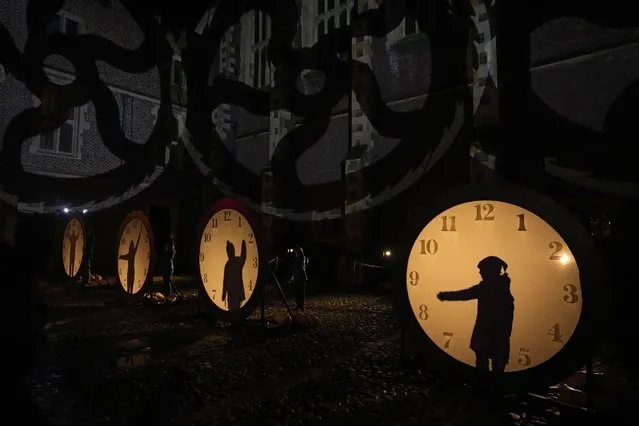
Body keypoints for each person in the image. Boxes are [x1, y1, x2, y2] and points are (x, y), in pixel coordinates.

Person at [437, 256, 514, 373]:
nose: (480, 272)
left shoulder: (489, 287)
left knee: (484, 364)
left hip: (487, 334)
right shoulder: (501, 286)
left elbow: (467, 294)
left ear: (490, 271)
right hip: (499, 336)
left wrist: (446, 296)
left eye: (482, 270)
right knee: (496, 365)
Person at [222, 240, 247, 310]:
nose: (229, 253)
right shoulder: (228, 264)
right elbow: (225, 279)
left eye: (230, 251)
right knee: (232, 307)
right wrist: (224, 292)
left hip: (236, 290)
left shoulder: (236, 261)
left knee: (236, 307)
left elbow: (243, 256)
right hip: (231, 291)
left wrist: (243, 246)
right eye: (228, 251)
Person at [290, 244, 308, 312]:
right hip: (297, 278)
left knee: (301, 292)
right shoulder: (297, 259)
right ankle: (298, 305)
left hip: (301, 278)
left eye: (297, 252)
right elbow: (294, 269)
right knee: (297, 292)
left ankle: (301, 305)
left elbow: (299, 268)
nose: (295, 253)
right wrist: (293, 277)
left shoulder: (301, 259)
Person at [162, 234, 181, 299]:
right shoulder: (169, 251)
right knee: (167, 280)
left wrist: (172, 240)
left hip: (168, 267)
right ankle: (168, 294)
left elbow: (170, 254)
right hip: (167, 267)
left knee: (168, 280)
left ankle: (170, 294)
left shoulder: (170, 251)